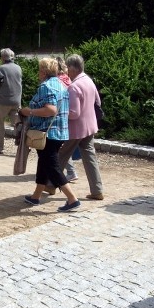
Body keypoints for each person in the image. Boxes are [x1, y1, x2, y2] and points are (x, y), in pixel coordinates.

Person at [18, 57, 80, 212]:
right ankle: (36, 196)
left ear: (44, 71)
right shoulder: (61, 84)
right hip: (59, 132)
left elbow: (51, 110)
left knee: (52, 166)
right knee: (44, 162)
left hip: (47, 132)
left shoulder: (46, 86)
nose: (38, 73)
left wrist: (29, 111)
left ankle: (72, 199)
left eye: (40, 69)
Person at [60, 53, 105, 200]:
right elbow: (97, 102)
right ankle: (97, 190)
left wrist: (60, 113)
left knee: (61, 156)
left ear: (73, 69)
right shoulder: (88, 80)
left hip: (76, 129)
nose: (66, 70)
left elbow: (74, 113)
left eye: (67, 67)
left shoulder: (74, 86)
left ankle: (49, 184)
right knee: (90, 157)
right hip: (90, 126)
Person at [0, 48, 22, 154]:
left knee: (0, 124)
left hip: (2, 101)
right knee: (18, 124)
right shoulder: (18, 68)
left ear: (3, 57)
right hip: (16, 101)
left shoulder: (1, 68)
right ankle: (22, 147)